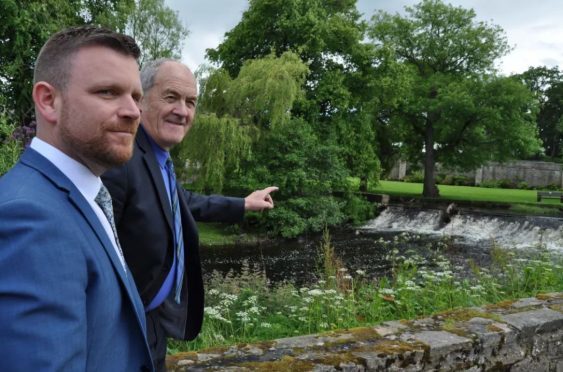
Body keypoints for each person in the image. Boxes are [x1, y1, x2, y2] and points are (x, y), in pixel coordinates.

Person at [102, 58, 278, 370]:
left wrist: (243, 204)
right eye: (171, 97)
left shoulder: (157, 159)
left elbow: (183, 201)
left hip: (153, 321)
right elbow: (96, 254)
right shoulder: (122, 160)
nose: (182, 111)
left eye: (191, 102)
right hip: (123, 331)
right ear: (140, 100)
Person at [0, 26, 153, 371]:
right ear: (48, 100)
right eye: (108, 92)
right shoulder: (29, 218)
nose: (133, 112)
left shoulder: (85, 195)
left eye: (136, 96)